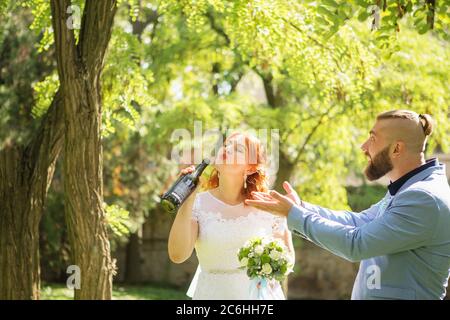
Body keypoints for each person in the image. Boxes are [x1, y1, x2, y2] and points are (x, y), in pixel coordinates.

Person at [247, 110, 450, 300]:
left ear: (396, 148)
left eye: (372, 139)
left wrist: (295, 216)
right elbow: (358, 221)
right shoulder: (409, 189)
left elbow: (356, 243)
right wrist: (300, 207)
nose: (364, 147)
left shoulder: (423, 198)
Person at [168, 132, 294, 299]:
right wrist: (187, 201)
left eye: (238, 149)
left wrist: (267, 264)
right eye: (226, 146)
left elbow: (288, 260)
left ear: (250, 168)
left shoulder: (268, 205)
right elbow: (177, 255)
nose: (226, 150)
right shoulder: (197, 204)